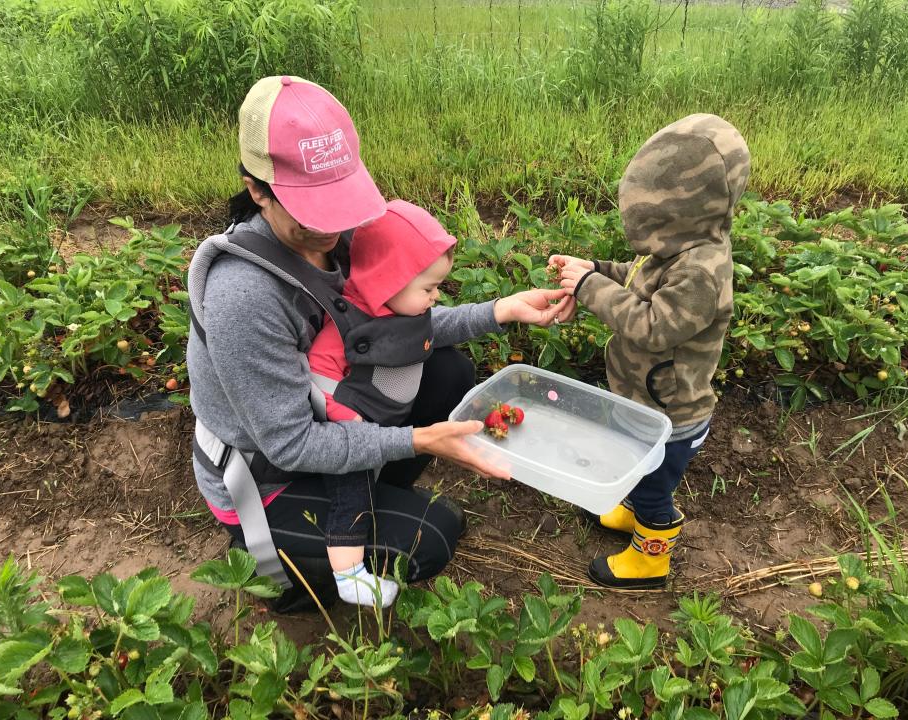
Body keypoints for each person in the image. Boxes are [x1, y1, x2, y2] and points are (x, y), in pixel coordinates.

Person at [186, 75, 572, 612]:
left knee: (450, 373)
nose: (333, 227)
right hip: (268, 476)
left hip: (337, 408)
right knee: (431, 537)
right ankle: (291, 575)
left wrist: (499, 312)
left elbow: (400, 330)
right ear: (258, 191)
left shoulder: (340, 234)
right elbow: (292, 445)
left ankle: (366, 498)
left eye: (340, 200)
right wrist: (417, 441)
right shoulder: (244, 296)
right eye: (312, 209)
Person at [551, 114, 750, 589]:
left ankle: (651, 558)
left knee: (656, 486)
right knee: (633, 464)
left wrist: (590, 288)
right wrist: (596, 268)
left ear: (684, 210)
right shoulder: (679, 247)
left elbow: (653, 327)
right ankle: (629, 510)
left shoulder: (702, 272)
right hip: (643, 400)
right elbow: (640, 276)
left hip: (673, 416)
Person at [307, 200, 458, 608]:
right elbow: (317, 377)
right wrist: (348, 420)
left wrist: (502, 311)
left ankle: (387, 495)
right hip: (351, 433)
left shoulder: (399, 311)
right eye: (428, 288)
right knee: (351, 496)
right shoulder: (348, 327)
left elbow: (433, 328)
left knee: (452, 367)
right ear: (387, 282)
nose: (435, 295)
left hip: (384, 422)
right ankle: (348, 574)